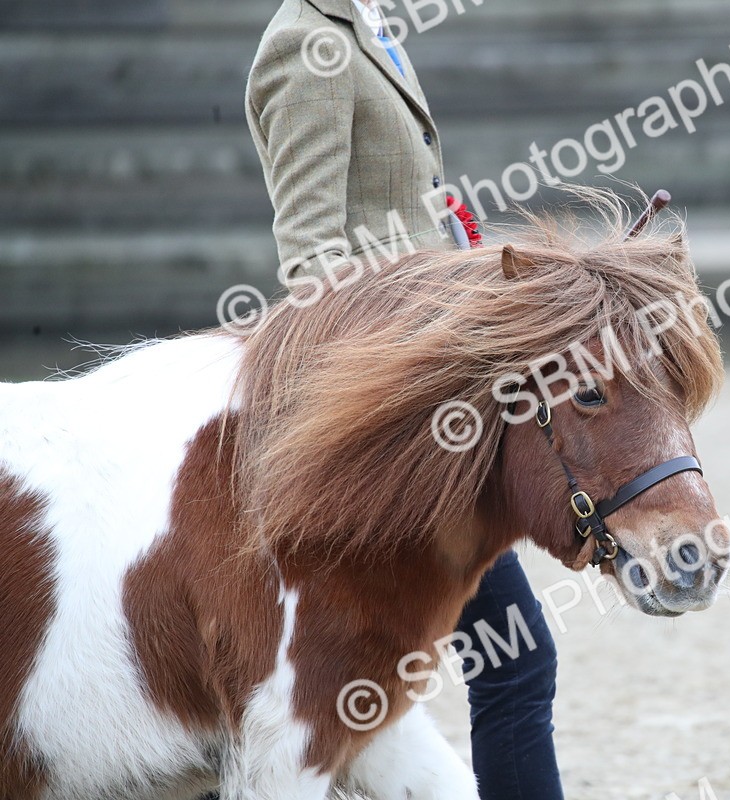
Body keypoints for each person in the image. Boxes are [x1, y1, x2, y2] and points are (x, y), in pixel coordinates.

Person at [242, 1, 565, 797]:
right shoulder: (309, 43)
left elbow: (397, 208)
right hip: (392, 421)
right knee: (514, 660)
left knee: (505, 660)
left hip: (421, 393)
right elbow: (315, 264)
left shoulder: (363, 24)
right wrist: (404, 370)